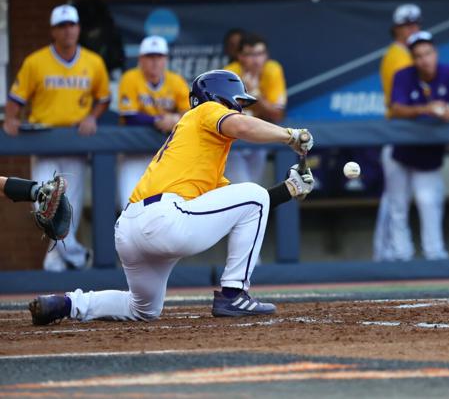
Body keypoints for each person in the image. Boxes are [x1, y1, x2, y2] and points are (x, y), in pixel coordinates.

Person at [28, 70, 314, 326]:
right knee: (251, 194)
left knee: (142, 308)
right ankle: (233, 294)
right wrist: (290, 135)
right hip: (164, 219)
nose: (241, 109)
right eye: (237, 102)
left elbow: (245, 207)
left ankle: (67, 303)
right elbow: (242, 128)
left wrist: (288, 189)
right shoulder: (206, 111)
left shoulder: (200, 153)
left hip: (130, 229)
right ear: (221, 98)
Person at [3, 4, 110, 271]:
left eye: (71, 25)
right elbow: (16, 99)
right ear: (53, 31)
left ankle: (56, 261)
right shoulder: (36, 61)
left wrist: (92, 117)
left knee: (67, 208)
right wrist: (12, 117)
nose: (67, 31)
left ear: (78, 28)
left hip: (75, 144)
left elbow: (103, 98)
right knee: (44, 203)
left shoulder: (93, 62)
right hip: (43, 141)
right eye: (61, 26)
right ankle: (76, 257)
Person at [388, 31, 449, 260]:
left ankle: (435, 254)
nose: (425, 59)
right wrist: (427, 108)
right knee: (397, 205)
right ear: (413, 59)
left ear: (435, 53)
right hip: (401, 150)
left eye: (428, 53)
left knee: (428, 202)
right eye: (419, 55)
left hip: (430, 152)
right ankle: (401, 256)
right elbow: (397, 109)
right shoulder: (404, 75)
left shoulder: (447, 73)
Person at [117, 36, 190, 210]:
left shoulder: (176, 81)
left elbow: (191, 112)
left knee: (165, 208)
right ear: (141, 59)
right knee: (128, 204)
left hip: (166, 155)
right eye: (150, 57)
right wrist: (158, 120)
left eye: (159, 57)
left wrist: (176, 119)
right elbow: (129, 116)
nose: (155, 62)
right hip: (133, 151)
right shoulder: (130, 78)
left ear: (165, 59)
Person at [373, 3, 422, 261]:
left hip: (410, 132)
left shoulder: (410, 53)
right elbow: (401, 101)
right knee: (395, 199)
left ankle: (390, 252)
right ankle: (388, 254)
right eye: (406, 26)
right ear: (397, 29)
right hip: (397, 129)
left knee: (397, 198)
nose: (412, 29)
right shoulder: (397, 54)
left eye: (415, 25)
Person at [223, 34, 287, 184]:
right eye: (250, 55)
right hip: (232, 144)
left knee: (253, 186)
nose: (256, 60)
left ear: (266, 55)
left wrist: (253, 94)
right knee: (242, 189)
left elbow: (277, 114)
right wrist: (258, 103)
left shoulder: (272, 70)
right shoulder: (229, 74)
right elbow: (227, 117)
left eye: (260, 54)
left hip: (258, 138)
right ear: (240, 56)